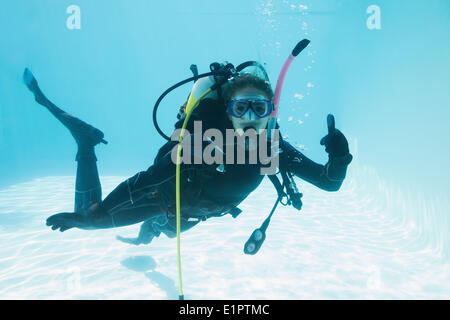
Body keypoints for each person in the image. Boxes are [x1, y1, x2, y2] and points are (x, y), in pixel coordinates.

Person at [23, 67, 352, 245]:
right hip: (162, 198)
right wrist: (101, 210)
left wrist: (339, 158)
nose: (250, 117)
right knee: (89, 218)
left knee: (161, 231)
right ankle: (86, 144)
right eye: (241, 107)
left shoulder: (271, 146)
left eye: (259, 108)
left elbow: (329, 183)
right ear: (228, 110)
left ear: (270, 113)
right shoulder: (206, 141)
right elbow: (148, 179)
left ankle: (146, 237)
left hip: (197, 212)